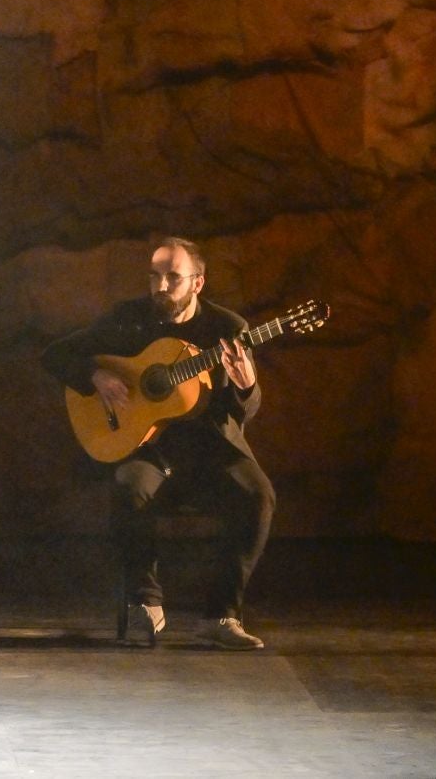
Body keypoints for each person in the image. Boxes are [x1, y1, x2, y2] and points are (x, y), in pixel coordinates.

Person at [42, 237, 273, 650]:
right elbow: (56, 354)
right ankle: (145, 601)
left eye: (173, 277)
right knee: (129, 488)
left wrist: (246, 384)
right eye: (154, 277)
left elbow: (245, 410)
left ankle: (222, 616)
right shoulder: (127, 321)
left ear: (197, 283)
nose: (161, 286)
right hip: (151, 449)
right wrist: (94, 376)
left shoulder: (228, 329)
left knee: (259, 496)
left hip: (210, 449)